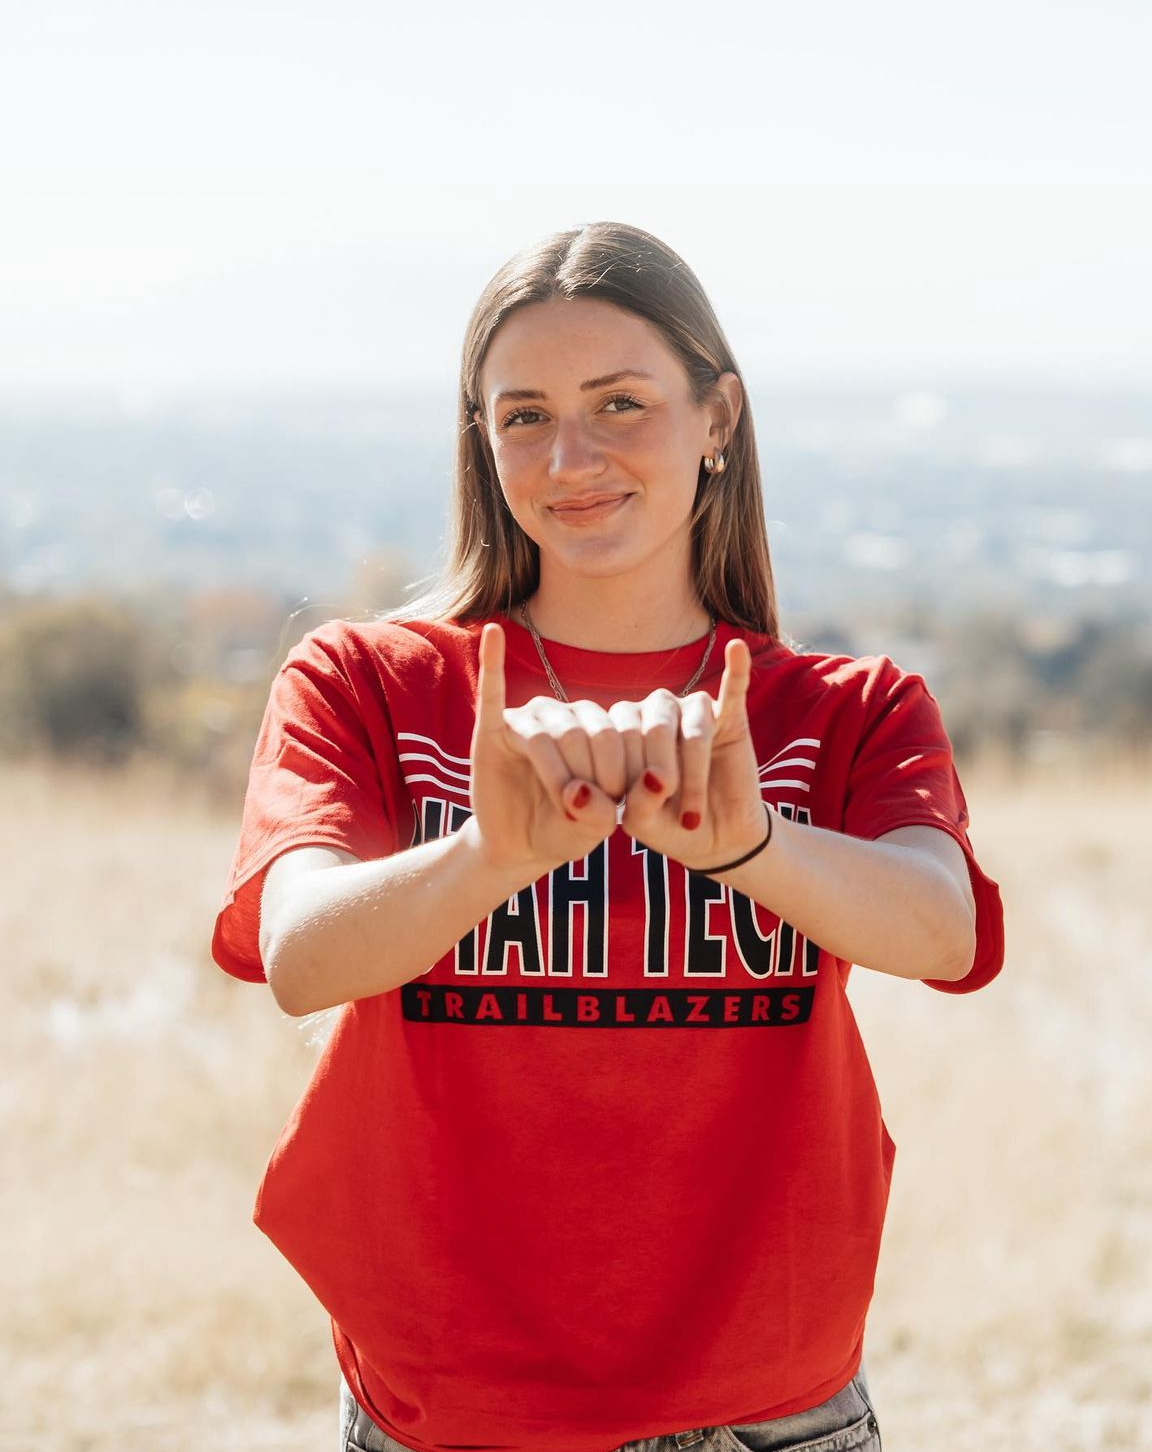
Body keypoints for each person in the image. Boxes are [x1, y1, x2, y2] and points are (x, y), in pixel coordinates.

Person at [211, 220, 1004, 1452]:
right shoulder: (366, 682)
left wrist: (751, 849)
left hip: (769, 1411)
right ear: (480, 440)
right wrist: (491, 856)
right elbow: (301, 954)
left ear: (719, 418)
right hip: (453, 1413)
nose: (569, 456)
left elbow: (942, 928)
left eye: (619, 403)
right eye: (522, 415)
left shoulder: (845, 709)